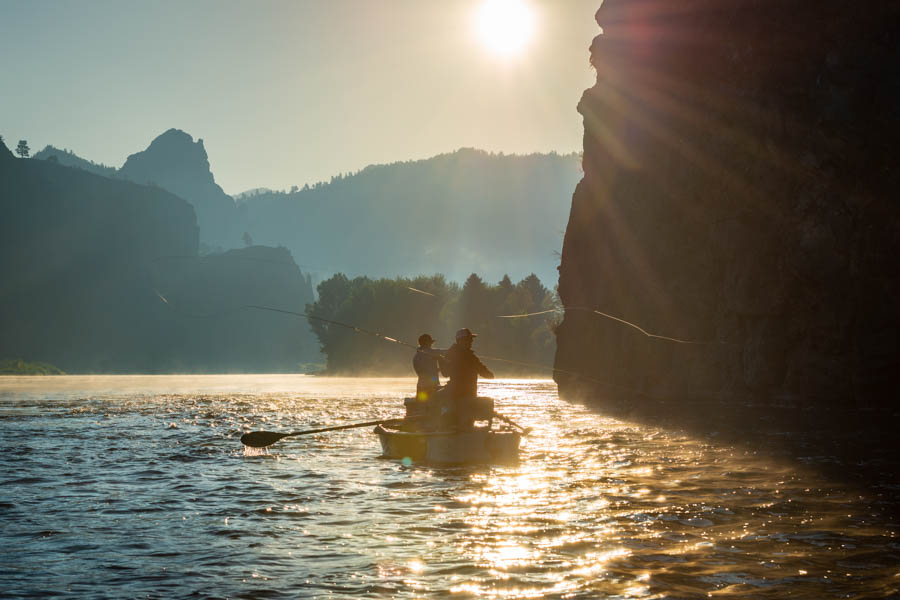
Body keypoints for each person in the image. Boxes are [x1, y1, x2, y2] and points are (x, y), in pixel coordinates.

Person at [445, 328, 494, 431]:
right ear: (460, 340)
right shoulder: (470, 357)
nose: (471, 342)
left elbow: (444, 373)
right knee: (466, 421)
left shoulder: (449, 354)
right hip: (466, 394)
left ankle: (457, 431)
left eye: (471, 339)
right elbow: (484, 372)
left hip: (454, 394)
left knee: (459, 421)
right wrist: (490, 374)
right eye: (468, 339)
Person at [412, 333, 447, 401]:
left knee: (421, 405)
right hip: (432, 387)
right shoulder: (431, 352)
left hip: (420, 386)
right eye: (430, 343)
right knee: (433, 406)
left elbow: (424, 371)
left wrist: (437, 369)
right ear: (427, 343)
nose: (431, 345)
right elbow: (447, 352)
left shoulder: (416, 357)